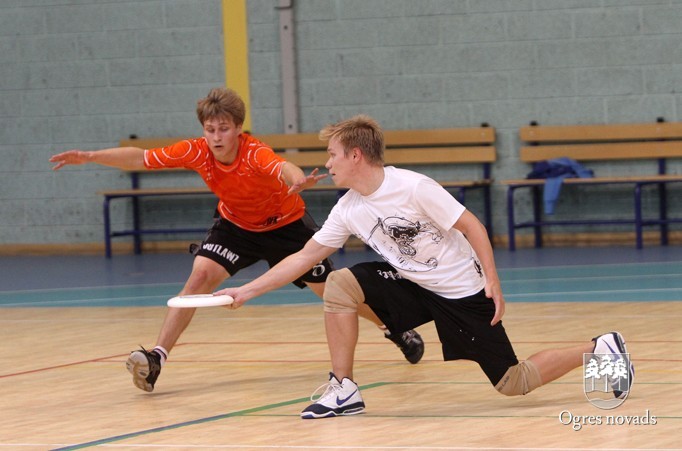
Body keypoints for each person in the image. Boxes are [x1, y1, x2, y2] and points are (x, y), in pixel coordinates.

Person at [215, 114, 635, 419]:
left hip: (462, 292)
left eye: (332, 155)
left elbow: (472, 226)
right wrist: (245, 291)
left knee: (513, 382)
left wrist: (492, 280)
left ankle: (600, 348)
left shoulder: (413, 187)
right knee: (340, 283)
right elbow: (306, 257)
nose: (328, 164)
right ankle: (344, 389)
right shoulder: (348, 208)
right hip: (412, 284)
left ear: (355, 155)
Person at [49, 89, 425, 393]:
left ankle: (394, 328)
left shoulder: (253, 153)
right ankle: (157, 357)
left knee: (331, 292)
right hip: (236, 227)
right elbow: (141, 158)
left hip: (286, 227)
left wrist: (297, 179)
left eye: (224, 129)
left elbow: (281, 167)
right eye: (210, 129)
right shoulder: (196, 151)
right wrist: (91, 156)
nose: (216, 137)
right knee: (199, 276)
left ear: (238, 128)